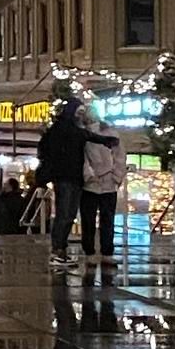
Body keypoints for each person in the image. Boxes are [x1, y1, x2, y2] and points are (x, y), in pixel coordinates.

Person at [34, 94, 90, 256]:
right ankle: (58, 246)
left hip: (73, 177)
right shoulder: (62, 130)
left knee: (69, 213)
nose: (80, 116)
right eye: (79, 112)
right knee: (65, 212)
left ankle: (60, 245)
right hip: (65, 176)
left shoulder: (70, 129)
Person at [81, 120, 128, 266]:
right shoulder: (84, 133)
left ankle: (98, 251)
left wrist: (115, 175)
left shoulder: (110, 133)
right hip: (95, 184)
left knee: (96, 219)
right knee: (102, 219)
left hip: (101, 183)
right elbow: (120, 157)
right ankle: (101, 252)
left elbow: (119, 156)